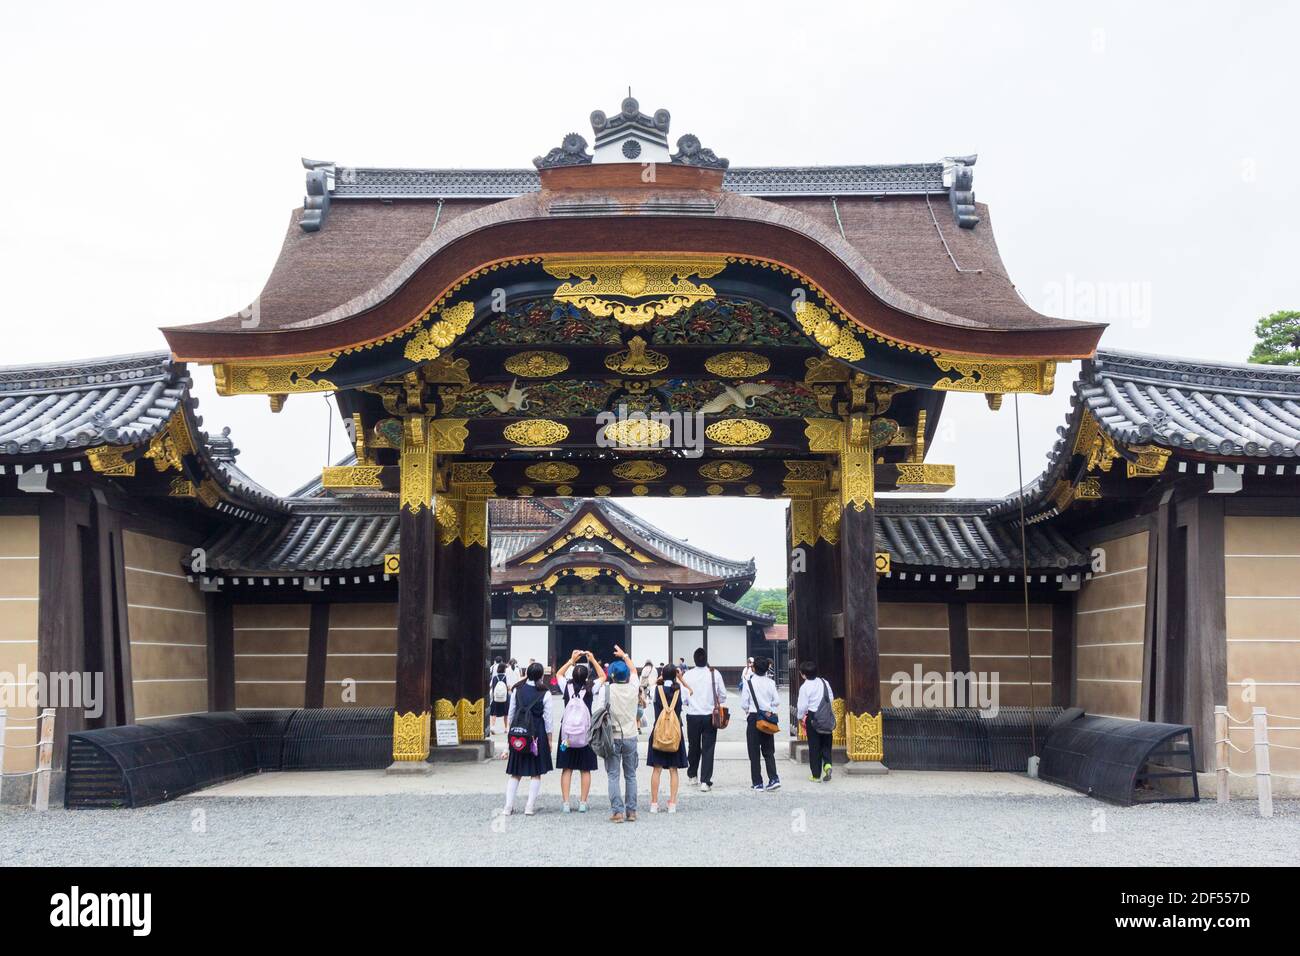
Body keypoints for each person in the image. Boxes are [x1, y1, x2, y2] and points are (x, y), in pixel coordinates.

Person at [554, 649, 606, 813]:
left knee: (566, 767)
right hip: (586, 735)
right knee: (586, 768)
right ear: (586, 676)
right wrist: (593, 659)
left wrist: (571, 660)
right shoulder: (591, 686)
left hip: (566, 735)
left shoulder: (566, 686)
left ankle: (566, 803)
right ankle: (583, 802)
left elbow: (558, 674)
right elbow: (603, 677)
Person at [502, 661, 555, 816]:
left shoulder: (517, 689)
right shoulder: (545, 693)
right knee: (535, 772)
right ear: (541, 676)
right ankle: (529, 807)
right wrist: (550, 739)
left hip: (518, 733)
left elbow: (511, 714)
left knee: (515, 773)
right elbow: (548, 719)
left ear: (527, 673)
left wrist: (510, 734)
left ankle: (508, 807)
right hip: (536, 734)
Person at [604, 645, 642, 823]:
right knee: (631, 775)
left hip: (612, 737)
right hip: (630, 735)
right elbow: (634, 670)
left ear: (611, 675)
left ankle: (617, 812)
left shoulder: (606, 691)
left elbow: (599, 712)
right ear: (626, 675)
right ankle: (632, 811)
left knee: (613, 775)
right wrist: (625, 655)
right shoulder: (634, 688)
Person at [647, 664, 691, 813]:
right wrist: (680, 679)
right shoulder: (681, 691)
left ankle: (654, 804)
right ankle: (672, 803)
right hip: (674, 733)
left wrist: (660, 678)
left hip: (659, 732)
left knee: (657, 769)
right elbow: (691, 693)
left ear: (662, 674)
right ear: (675, 675)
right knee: (673, 770)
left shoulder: (656, 690)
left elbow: (648, 689)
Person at [683, 647, 727, 792]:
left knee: (693, 746)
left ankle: (692, 775)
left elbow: (684, 698)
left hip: (693, 715)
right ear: (706, 658)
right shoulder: (714, 673)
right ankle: (705, 781)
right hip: (710, 716)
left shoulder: (687, 675)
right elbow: (723, 696)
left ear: (694, 659)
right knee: (708, 748)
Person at [740, 656, 781, 791]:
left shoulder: (748, 683)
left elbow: (744, 704)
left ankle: (757, 782)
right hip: (767, 718)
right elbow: (776, 701)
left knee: (754, 751)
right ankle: (774, 778)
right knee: (768, 750)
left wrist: (748, 711)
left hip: (753, 718)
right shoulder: (771, 683)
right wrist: (769, 709)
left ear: (754, 668)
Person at [796, 661, 834, 783]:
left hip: (813, 718)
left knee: (814, 746)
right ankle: (827, 764)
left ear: (803, 675)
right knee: (826, 744)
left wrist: (800, 717)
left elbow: (802, 706)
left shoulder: (805, 687)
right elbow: (831, 698)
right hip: (826, 716)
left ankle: (816, 775)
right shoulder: (824, 682)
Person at [488, 662, 512, 737]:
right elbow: (508, 687)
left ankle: (493, 726)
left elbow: (491, 686)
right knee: (505, 713)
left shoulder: (494, 677)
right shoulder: (506, 677)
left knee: (494, 713)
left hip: (496, 698)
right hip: (505, 698)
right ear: (504, 669)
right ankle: (506, 728)